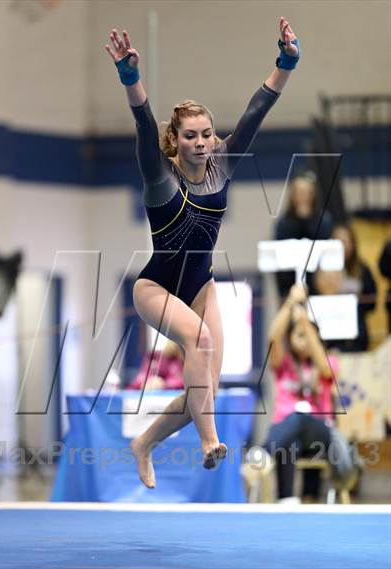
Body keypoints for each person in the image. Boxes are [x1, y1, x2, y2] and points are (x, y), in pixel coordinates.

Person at [105, 18, 300, 488]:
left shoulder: (223, 165)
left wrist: (286, 62)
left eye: (207, 134)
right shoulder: (159, 175)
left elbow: (256, 111)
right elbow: (142, 122)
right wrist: (131, 79)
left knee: (204, 389)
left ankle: (144, 442)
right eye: (191, 135)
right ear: (176, 139)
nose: (201, 143)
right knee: (201, 344)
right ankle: (210, 443)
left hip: (200, 286)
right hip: (155, 287)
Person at [244, 284, 340, 502]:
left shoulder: (329, 362)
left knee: (298, 419)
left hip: (320, 434)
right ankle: (287, 500)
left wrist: (305, 322)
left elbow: (325, 368)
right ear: (291, 339)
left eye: (309, 336)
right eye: (299, 335)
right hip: (286, 434)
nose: (304, 340)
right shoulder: (284, 364)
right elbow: (271, 339)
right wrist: (289, 303)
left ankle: (261, 455)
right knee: (290, 439)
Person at [314, 223, 377, 352]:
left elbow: (372, 300)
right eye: (337, 241)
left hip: (357, 333)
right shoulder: (323, 267)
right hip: (329, 331)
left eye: (345, 241)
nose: (341, 246)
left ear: (353, 244)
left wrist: (355, 305)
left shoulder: (362, 269)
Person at [274, 172, 333, 299]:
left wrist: (307, 221)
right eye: (300, 192)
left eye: (307, 192)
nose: (304, 196)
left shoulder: (324, 220)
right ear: (293, 195)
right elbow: (279, 252)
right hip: (289, 283)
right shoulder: (284, 222)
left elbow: (325, 246)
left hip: (318, 283)